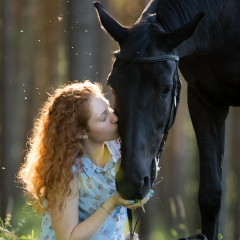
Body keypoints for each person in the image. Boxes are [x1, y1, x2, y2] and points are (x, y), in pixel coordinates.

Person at [17, 80, 153, 240]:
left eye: (108, 108)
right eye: (103, 118)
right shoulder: (65, 171)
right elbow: (67, 237)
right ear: (81, 132)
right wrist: (113, 202)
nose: (114, 118)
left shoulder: (117, 149)